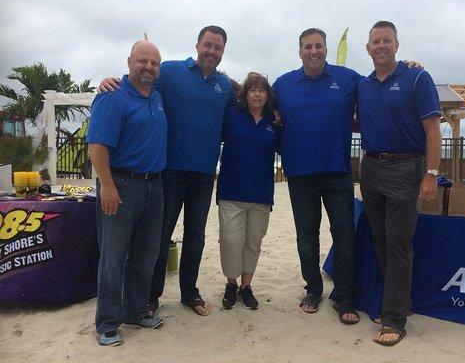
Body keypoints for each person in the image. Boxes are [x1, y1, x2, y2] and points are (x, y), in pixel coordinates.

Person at [98, 26, 235, 316]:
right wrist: (108, 81)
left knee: (196, 236)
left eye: (218, 47)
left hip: (204, 174)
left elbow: (249, 104)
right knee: (159, 237)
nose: (212, 51)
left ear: (223, 51)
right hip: (169, 172)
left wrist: (274, 111)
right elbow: (138, 85)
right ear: (197, 45)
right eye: (207, 44)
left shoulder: (225, 86)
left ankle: (190, 294)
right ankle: (150, 296)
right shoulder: (171, 71)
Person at [358, 21, 441, 346]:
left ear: (396, 45)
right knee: (380, 239)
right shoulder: (363, 86)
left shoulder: (417, 77)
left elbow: (433, 130)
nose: (381, 46)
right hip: (371, 168)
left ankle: (394, 318)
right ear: (368, 48)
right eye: (375, 41)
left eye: (386, 41)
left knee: (398, 243)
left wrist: (431, 174)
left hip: (407, 168)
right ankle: (400, 303)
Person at [272, 29, 361, 325]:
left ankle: (345, 296)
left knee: (345, 235)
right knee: (306, 237)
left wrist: (407, 67)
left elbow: (379, 88)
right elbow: (255, 104)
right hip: (300, 174)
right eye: (308, 47)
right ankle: (313, 289)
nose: (314, 51)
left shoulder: (348, 79)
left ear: (326, 48)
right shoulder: (283, 85)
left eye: (319, 46)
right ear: (299, 52)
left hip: (338, 171)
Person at [87, 40, 167, 346]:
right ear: (129, 61)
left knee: (146, 254)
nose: (148, 67)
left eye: (154, 63)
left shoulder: (157, 97)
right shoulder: (112, 96)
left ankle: (136, 311)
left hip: (154, 185)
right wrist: (107, 185)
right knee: (113, 256)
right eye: (142, 61)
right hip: (120, 185)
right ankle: (107, 323)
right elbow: (97, 146)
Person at [217, 72, 280, 310]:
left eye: (261, 90)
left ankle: (246, 286)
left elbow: (287, 146)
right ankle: (231, 283)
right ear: (245, 93)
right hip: (231, 189)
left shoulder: (274, 122)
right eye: (252, 89)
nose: (257, 94)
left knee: (253, 242)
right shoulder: (232, 115)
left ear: (267, 95)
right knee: (231, 240)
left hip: (261, 192)